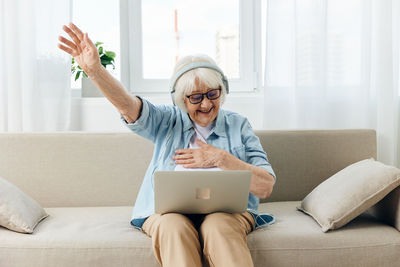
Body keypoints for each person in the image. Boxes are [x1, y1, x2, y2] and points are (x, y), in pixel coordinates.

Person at [58, 22, 276, 267]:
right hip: (170, 216)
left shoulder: (239, 125)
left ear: (221, 91)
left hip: (227, 215)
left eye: (212, 94)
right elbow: (129, 106)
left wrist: (221, 159)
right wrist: (95, 71)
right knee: (173, 227)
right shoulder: (167, 120)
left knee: (218, 225)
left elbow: (265, 185)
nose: (205, 104)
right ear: (181, 100)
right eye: (195, 97)